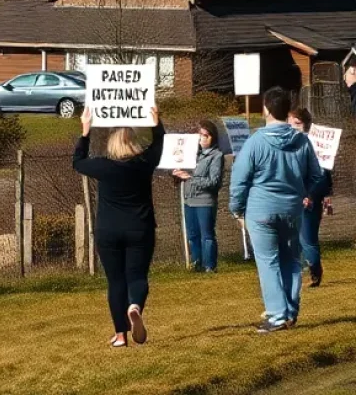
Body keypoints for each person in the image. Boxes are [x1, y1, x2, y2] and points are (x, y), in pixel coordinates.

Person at [229, 87, 323, 332]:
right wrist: (303, 192)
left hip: (260, 209)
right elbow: (316, 174)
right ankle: (290, 311)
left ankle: (277, 315)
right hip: (292, 209)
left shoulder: (255, 142)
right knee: (291, 260)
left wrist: (237, 209)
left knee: (268, 262)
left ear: (266, 110)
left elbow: (239, 180)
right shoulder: (302, 140)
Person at [73, 105, 164, 348]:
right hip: (139, 228)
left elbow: (78, 162)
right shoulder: (144, 164)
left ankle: (120, 335)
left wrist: (85, 131)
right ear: (133, 145)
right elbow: (158, 146)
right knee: (137, 276)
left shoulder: (103, 167)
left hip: (108, 230)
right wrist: (156, 123)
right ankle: (135, 305)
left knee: (115, 281)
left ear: (112, 146)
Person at [288, 107, 332, 287]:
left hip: (310, 198)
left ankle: (315, 270)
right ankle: (300, 270)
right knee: (294, 238)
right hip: (293, 197)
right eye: (290, 124)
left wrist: (312, 195)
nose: (293, 127)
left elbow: (322, 176)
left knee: (307, 237)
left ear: (306, 124)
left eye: (297, 124)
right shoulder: (291, 145)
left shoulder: (313, 145)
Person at [173, 119, 225, 272]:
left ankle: (209, 265)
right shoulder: (190, 154)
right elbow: (183, 175)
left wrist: (191, 178)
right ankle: (197, 264)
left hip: (205, 201)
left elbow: (213, 181)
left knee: (206, 235)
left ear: (212, 137)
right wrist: (178, 174)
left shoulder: (216, 155)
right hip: (189, 199)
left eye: (206, 135)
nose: (202, 138)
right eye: (200, 135)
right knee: (193, 235)